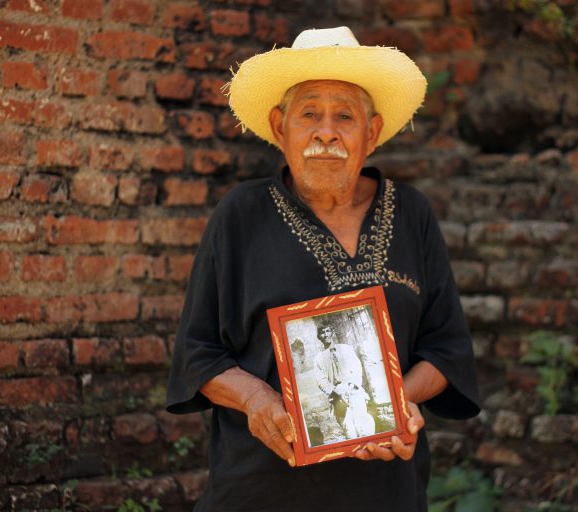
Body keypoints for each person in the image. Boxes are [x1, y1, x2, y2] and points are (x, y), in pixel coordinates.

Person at [166, 26, 480, 512]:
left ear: (371, 133)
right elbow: (198, 354)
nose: (326, 132)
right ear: (280, 128)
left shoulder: (411, 214)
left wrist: (394, 403)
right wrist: (256, 400)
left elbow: (446, 349)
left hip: (384, 491)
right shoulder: (241, 215)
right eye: (309, 113)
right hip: (261, 491)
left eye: (345, 116)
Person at [312, 322, 374, 439]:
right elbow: (321, 380)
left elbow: (357, 367)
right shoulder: (318, 358)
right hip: (337, 396)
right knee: (348, 430)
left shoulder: (346, 349)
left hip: (354, 391)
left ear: (332, 332)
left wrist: (353, 385)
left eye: (327, 331)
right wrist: (334, 390)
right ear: (319, 337)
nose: (325, 335)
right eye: (322, 333)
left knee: (363, 427)